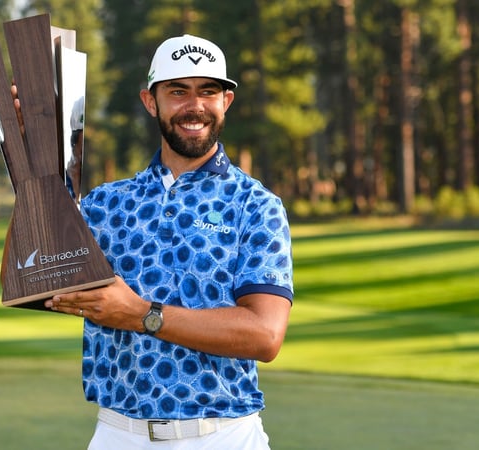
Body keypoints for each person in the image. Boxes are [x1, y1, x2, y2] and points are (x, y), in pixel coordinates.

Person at [44, 34, 294, 449]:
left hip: (223, 436)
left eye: (208, 91)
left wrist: (143, 314)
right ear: (150, 101)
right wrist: (33, 154)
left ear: (225, 102)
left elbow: (264, 335)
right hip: (117, 434)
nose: (194, 106)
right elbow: (33, 278)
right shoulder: (107, 203)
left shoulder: (256, 205)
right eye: (178, 91)